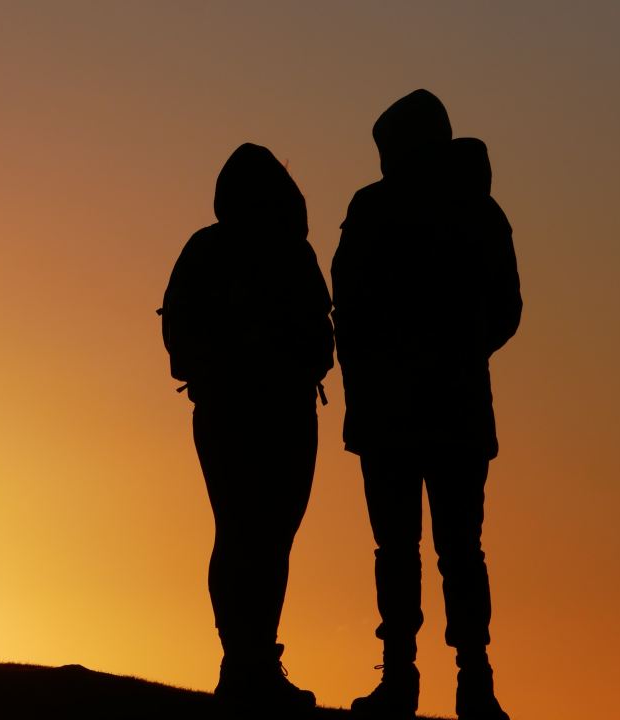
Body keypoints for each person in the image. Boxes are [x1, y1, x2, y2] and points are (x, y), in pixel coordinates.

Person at [331, 90, 521, 720]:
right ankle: (463, 681)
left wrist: (417, 357)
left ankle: (424, 680)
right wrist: (462, 354)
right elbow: (506, 310)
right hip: (448, 410)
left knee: (415, 549)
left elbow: (349, 308)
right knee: (453, 549)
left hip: (402, 411)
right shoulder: (478, 209)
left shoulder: (379, 208)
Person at [160, 143, 334, 715]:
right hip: (251, 415)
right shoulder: (273, 252)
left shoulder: (239, 250)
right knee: (249, 536)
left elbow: (320, 336)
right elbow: (180, 333)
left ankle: (250, 663)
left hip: (264, 414)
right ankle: (245, 665)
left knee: (257, 537)